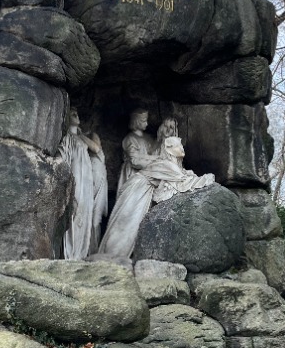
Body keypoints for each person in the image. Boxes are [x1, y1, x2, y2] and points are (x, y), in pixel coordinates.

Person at [98, 135, 214, 259]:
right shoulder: (166, 165)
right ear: (169, 150)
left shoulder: (173, 166)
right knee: (126, 224)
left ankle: (116, 256)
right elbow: (183, 182)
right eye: (178, 145)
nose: (182, 148)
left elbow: (181, 176)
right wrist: (206, 179)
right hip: (136, 190)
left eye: (181, 145)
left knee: (132, 225)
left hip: (144, 190)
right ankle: (110, 256)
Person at [58, 108, 108, 260]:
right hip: (76, 176)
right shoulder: (68, 137)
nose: (76, 115)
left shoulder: (81, 138)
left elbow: (96, 149)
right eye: (72, 113)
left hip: (86, 177)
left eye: (77, 113)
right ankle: (71, 253)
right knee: (76, 208)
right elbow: (64, 156)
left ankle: (81, 252)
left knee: (86, 211)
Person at [116, 109, 158, 198]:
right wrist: (153, 163)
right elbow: (134, 161)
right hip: (133, 172)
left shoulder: (148, 138)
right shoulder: (130, 139)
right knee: (133, 198)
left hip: (147, 172)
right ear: (137, 122)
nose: (146, 124)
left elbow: (153, 152)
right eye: (144, 121)